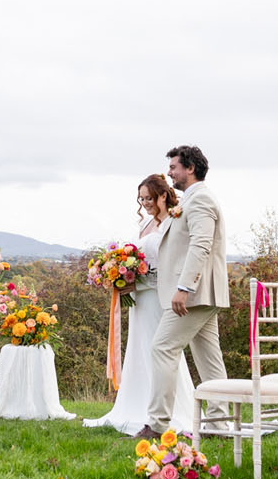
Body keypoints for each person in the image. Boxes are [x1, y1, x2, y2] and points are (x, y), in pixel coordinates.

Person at [83, 174, 195, 435]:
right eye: (141, 198)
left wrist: (139, 284)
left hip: (158, 297)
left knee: (161, 351)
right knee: (139, 348)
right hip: (140, 301)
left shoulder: (174, 221)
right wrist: (120, 276)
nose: (144, 203)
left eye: (149, 197)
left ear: (163, 195)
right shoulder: (145, 224)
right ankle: (137, 404)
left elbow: (170, 267)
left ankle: (166, 410)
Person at [139, 145, 229, 439]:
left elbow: (200, 246)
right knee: (209, 358)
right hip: (201, 295)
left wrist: (184, 288)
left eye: (174, 167)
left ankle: (157, 425)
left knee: (162, 348)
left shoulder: (201, 199)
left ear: (190, 168)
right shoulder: (190, 200)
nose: (169, 172)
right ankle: (218, 424)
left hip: (193, 294)